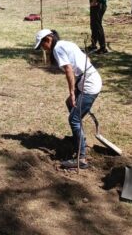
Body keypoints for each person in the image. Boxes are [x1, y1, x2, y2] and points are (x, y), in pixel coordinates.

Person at [34, 28, 102, 170]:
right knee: (71, 107)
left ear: (48, 40)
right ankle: (78, 138)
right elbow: (86, 58)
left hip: (89, 85)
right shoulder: (64, 43)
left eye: (42, 45)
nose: (43, 49)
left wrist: (72, 92)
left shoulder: (58, 49)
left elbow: (69, 70)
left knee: (74, 119)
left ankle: (81, 158)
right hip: (87, 80)